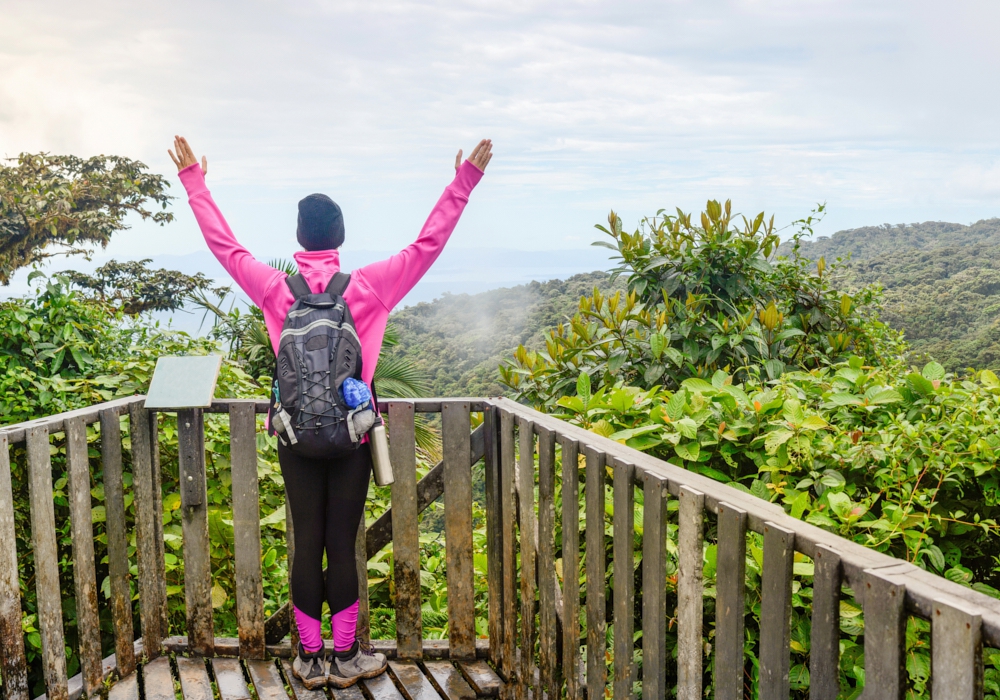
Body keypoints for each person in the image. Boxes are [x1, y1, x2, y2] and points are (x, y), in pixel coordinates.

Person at [168, 135, 492, 688]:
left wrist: (195, 179)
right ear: (340, 238)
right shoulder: (367, 286)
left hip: (295, 440)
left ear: (299, 240)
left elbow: (225, 248)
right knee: (342, 544)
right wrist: (463, 181)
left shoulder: (276, 289)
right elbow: (427, 244)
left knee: (306, 542)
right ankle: (346, 659)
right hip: (352, 439)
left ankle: (308, 660)